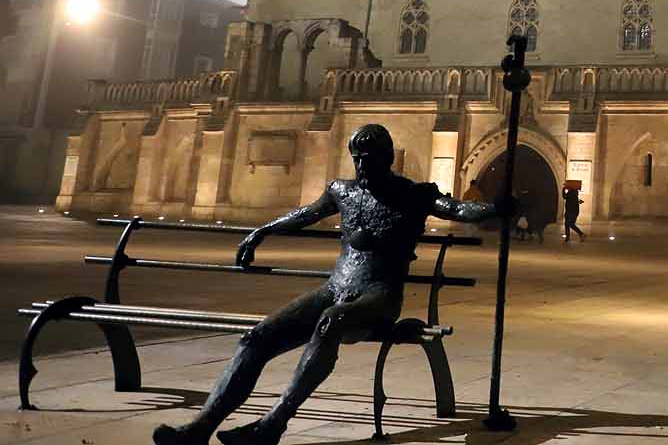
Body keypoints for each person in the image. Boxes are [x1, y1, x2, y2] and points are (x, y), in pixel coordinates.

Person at [152, 124, 505, 445]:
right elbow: (304, 214)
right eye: (357, 159)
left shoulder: (413, 194)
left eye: (369, 159)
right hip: (334, 289)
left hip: (378, 297)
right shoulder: (343, 191)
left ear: (388, 158)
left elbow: (457, 209)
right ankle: (200, 427)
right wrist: (261, 231)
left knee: (331, 320)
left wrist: (495, 208)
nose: (361, 166)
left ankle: (273, 424)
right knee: (257, 337)